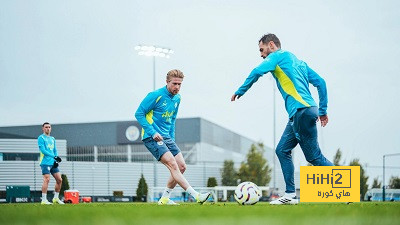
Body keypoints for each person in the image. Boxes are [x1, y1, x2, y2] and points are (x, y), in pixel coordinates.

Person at [231, 33, 333, 205]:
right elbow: (321, 82)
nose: (262, 55)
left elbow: (257, 71)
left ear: (271, 45)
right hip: (303, 112)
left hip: (301, 111)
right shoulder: (300, 63)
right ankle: (290, 195)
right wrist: (322, 110)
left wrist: (240, 90)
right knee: (282, 150)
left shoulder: (277, 56)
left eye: (262, 50)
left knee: (314, 157)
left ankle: (347, 189)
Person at [135, 69, 210, 205]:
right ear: (167, 82)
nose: (177, 87)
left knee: (182, 166)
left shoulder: (178, 98)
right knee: (173, 165)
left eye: (179, 84)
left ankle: (164, 199)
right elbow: (139, 113)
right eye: (174, 84)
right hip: (151, 137)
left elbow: (172, 119)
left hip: (167, 137)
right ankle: (197, 196)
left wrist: (172, 139)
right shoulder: (155, 95)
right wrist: (152, 132)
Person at [38, 122, 64, 205]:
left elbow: (55, 150)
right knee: (47, 179)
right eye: (46, 127)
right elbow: (43, 150)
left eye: (49, 127)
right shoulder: (41, 138)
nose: (48, 128)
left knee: (59, 180)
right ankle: (44, 200)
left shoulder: (52, 138)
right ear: (43, 128)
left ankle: (56, 198)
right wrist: (54, 156)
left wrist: (55, 159)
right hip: (45, 162)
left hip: (53, 162)